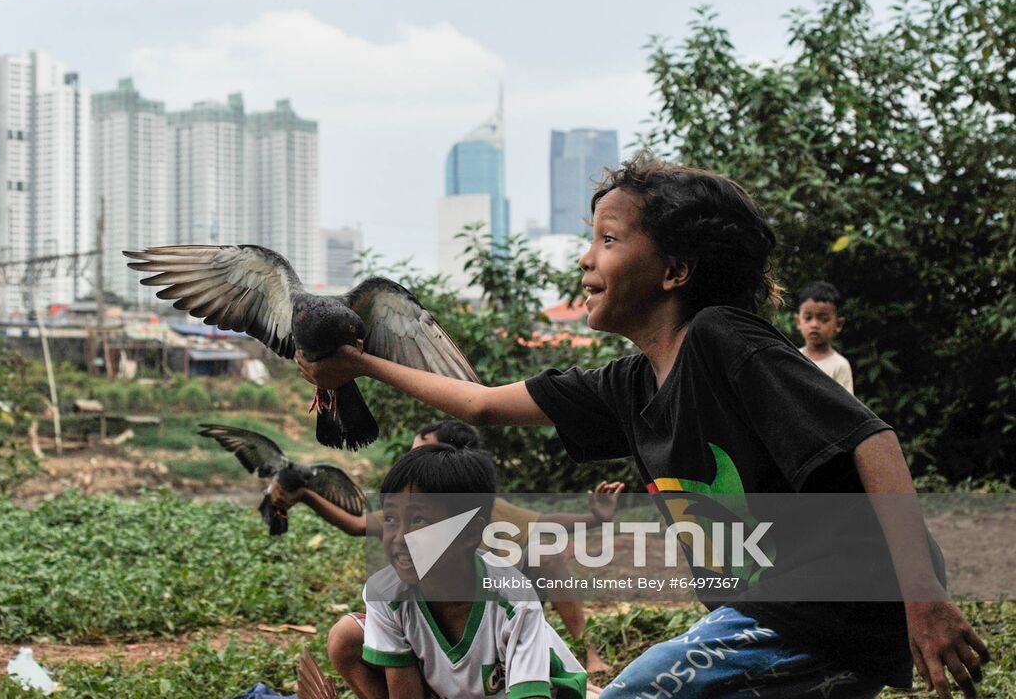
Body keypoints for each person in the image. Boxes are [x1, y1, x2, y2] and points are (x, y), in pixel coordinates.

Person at [299, 154, 989, 699]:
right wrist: (355, 364)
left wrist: (923, 602)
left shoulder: (722, 340)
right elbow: (480, 404)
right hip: (778, 623)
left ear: (675, 270)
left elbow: (874, 441)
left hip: (820, 611)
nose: (585, 260)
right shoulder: (627, 386)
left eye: (607, 240)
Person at [275, 419, 623, 677]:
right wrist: (307, 495)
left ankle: (587, 650)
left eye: (424, 453)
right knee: (352, 634)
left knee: (545, 554)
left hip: (487, 610)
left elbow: (546, 523)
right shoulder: (407, 512)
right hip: (433, 614)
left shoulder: (475, 508)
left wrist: (596, 518)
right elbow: (355, 526)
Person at [355, 442, 591, 699]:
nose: (399, 538)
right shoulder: (385, 594)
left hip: (547, 692)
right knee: (346, 635)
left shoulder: (514, 599)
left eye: (419, 520)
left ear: (470, 533)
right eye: (390, 519)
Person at [796, 280, 854, 394]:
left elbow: (846, 407)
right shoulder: (793, 357)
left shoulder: (840, 365)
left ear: (838, 324)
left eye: (824, 319)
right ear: (798, 321)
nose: (814, 325)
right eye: (808, 318)